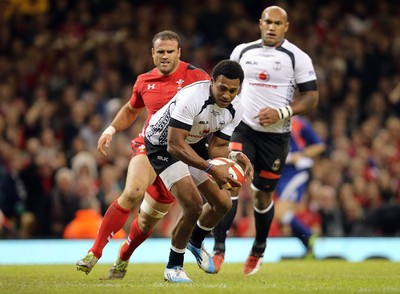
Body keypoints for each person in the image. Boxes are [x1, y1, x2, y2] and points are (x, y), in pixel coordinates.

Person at [75, 30, 210, 277]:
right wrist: (111, 129)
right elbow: (130, 109)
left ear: (179, 52)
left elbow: (215, 107)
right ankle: (94, 252)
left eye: (170, 51)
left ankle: (124, 256)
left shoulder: (197, 77)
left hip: (178, 155)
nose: (165, 56)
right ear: (153, 53)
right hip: (149, 146)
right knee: (132, 192)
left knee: (147, 221)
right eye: (161, 52)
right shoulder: (144, 81)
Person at [211, 6, 319, 275]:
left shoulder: (298, 57)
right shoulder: (242, 51)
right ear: (260, 23)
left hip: (276, 137)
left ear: (287, 26)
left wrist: (281, 113)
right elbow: (227, 88)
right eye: (268, 22)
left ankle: (259, 248)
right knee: (231, 182)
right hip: (243, 129)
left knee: (262, 196)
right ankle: (218, 249)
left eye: (278, 23)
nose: (272, 27)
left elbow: (312, 97)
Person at [144, 59, 253, 283]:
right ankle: (173, 266)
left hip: (192, 142)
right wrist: (211, 168)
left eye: (233, 91)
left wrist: (234, 155)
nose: (226, 95)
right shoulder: (193, 97)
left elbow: (216, 148)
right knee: (193, 205)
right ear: (212, 82)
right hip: (162, 144)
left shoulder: (236, 108)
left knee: (223, 203)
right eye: (222, 88)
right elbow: (174, 144)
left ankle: (195, 241)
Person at [274, 116, 326, 256]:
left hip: (295, 171)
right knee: (283, 213)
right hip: (282, 173)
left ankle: (309, 237)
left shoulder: (297, 123)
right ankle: (309, 244)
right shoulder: (268, 121)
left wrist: (300, 154)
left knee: (280, 211)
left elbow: (319, 145)